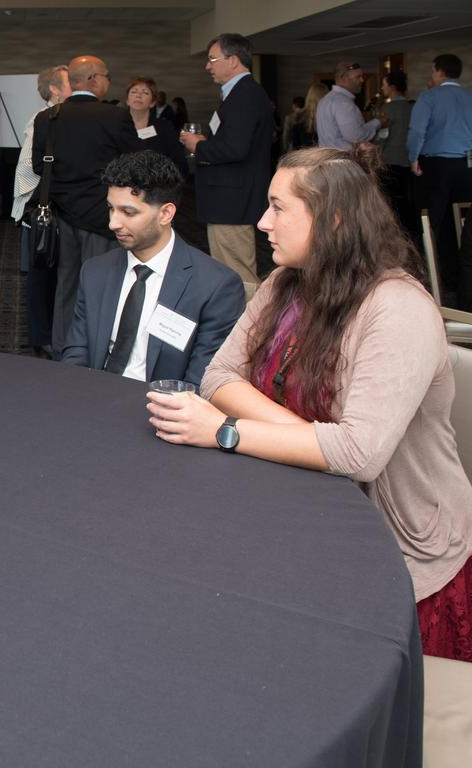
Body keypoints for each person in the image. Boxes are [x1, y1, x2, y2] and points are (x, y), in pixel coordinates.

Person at [146, 146, 472, 661]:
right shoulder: (283, 283)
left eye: (278, 208)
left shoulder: (398, 308)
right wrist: (308, 437)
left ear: (334, 219)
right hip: (299, 518)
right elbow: (217, 377)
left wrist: (223, 431)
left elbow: (359, 456)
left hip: (397, 554)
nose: (261, 221)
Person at [60, 151, 244, 385]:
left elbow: (200, 382)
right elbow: (76, 354)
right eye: (110, 208)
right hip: (92, 399)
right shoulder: (95, 271)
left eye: (128, 212)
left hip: (162, 411)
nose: (113, 223)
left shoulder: (215, 286)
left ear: (166, 214)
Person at [31, 55, 143, 357]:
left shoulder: (48, 118)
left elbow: (39, 167)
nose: (108, 81)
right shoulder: (114, 117)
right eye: (106, 75)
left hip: (62, 215)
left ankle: (62, 348)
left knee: (66, 284)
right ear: (93, 79)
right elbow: (136, 165)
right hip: (103, 218)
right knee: (104, 285)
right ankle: (98, 350)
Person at [180, 33, 273, 286]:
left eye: (212, 59)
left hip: (232, 200)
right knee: (229, 269)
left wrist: (198, 146)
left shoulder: (245, 95)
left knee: (238, 274)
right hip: (229, 199)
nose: (207, 66)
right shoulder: (237, 94)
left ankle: (250, 324)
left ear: (233, 60)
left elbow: (235, 149)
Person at [12, 64, 70, 354]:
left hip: (56, 206)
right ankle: (42, 337)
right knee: (41, 271)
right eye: (70, 81)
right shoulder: (43, 119)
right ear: (55, 89)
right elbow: (28, 169)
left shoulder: (64, 117)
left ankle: (49, 334)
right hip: (43, 209)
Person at [408, 54, 472, 310]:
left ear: (438, 71)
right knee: (464, 222)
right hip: (467, 165)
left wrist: (413, 158)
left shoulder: (429, 97)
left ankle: (433, 275)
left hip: (437, 165)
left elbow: (417, 131)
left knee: (432, 220)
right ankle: (461, 276)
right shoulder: (469, 96)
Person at [375, 70, 419, 244]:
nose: (382, 88)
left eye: (384, 84)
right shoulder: (411, 108)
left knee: (390, 201)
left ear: (392, 87)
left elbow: (382, 136)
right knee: (406, 199)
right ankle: (410, 235)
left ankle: (393, 237)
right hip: (407, 159)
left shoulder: (387, 109)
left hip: (389, 158)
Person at [125, 76, 188, 178]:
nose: (138, 95)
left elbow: (180, 164)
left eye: (145, 92)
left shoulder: (164, 128)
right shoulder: (116, 127)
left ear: (153, 102)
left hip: (156, 188)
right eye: (134, 92)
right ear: (127, 100)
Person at [316, 62, 384, 150]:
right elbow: (356, 137)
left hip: (328, 158)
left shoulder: (325, 100)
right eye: (358, 77)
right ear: (344, 79)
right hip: (343, 159)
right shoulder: (343, 103)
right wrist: (378, 122)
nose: (362, 80)